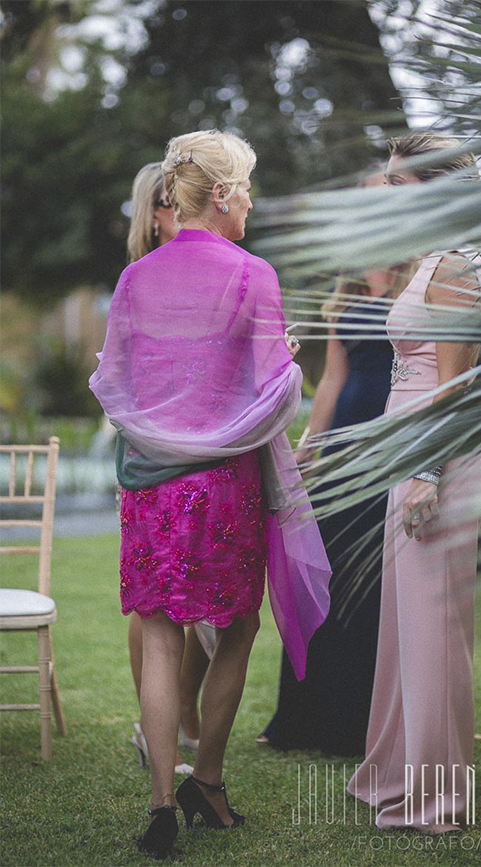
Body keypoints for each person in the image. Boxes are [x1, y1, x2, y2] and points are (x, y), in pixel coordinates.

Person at [90, 129, 331, 858]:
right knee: (239, 626)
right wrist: (287, 363)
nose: (251, 201)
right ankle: (210, 778)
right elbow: (272, 391)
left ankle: (163, 803)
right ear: (221, 197)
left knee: (161, 635)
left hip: (152, 491)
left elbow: (118, 382)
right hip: (224, 487)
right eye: (247, 188)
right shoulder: (254, 275)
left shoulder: (135, 279)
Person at [346, 131, 481, 832]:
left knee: (434, 632)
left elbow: (456, 385)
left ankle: (438, 797)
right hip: (407, 454)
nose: (390, 195)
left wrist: (428, 473)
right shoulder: (429, 260)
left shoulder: (457, 266)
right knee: (405, 629)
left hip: (438, 458)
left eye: (402, 185)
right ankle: (394, 771)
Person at [258, 167, 412, 755]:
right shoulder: (349, 280)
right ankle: (305, 722)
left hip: (392, 443)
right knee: (321, 582)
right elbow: (331, 379)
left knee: (375, 589)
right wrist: (306, 453)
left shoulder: (424, 274)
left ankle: (362, 726)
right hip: (342, 443)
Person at [123, 161, 210, 778]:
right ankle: (157, 723)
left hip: (210, 444)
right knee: (152, 600)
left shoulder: (216, 269)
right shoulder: (139, 279)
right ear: (154, 214)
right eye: (169, 201)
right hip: (150, 445)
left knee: (206, 601)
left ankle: (182, 710)